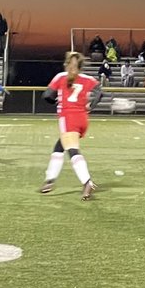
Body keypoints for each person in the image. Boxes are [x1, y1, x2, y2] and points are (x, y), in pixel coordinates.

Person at [40, 51, 102, 199]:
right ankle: (50, 180)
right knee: (59, 147)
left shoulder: (61, 76)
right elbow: (100, 92)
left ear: (67, 64)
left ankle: (87, 181)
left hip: (68, 118)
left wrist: (55, 101)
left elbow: (47, 95)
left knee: (72, 150)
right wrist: (91, 106)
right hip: (82, 119)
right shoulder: (87, 78)